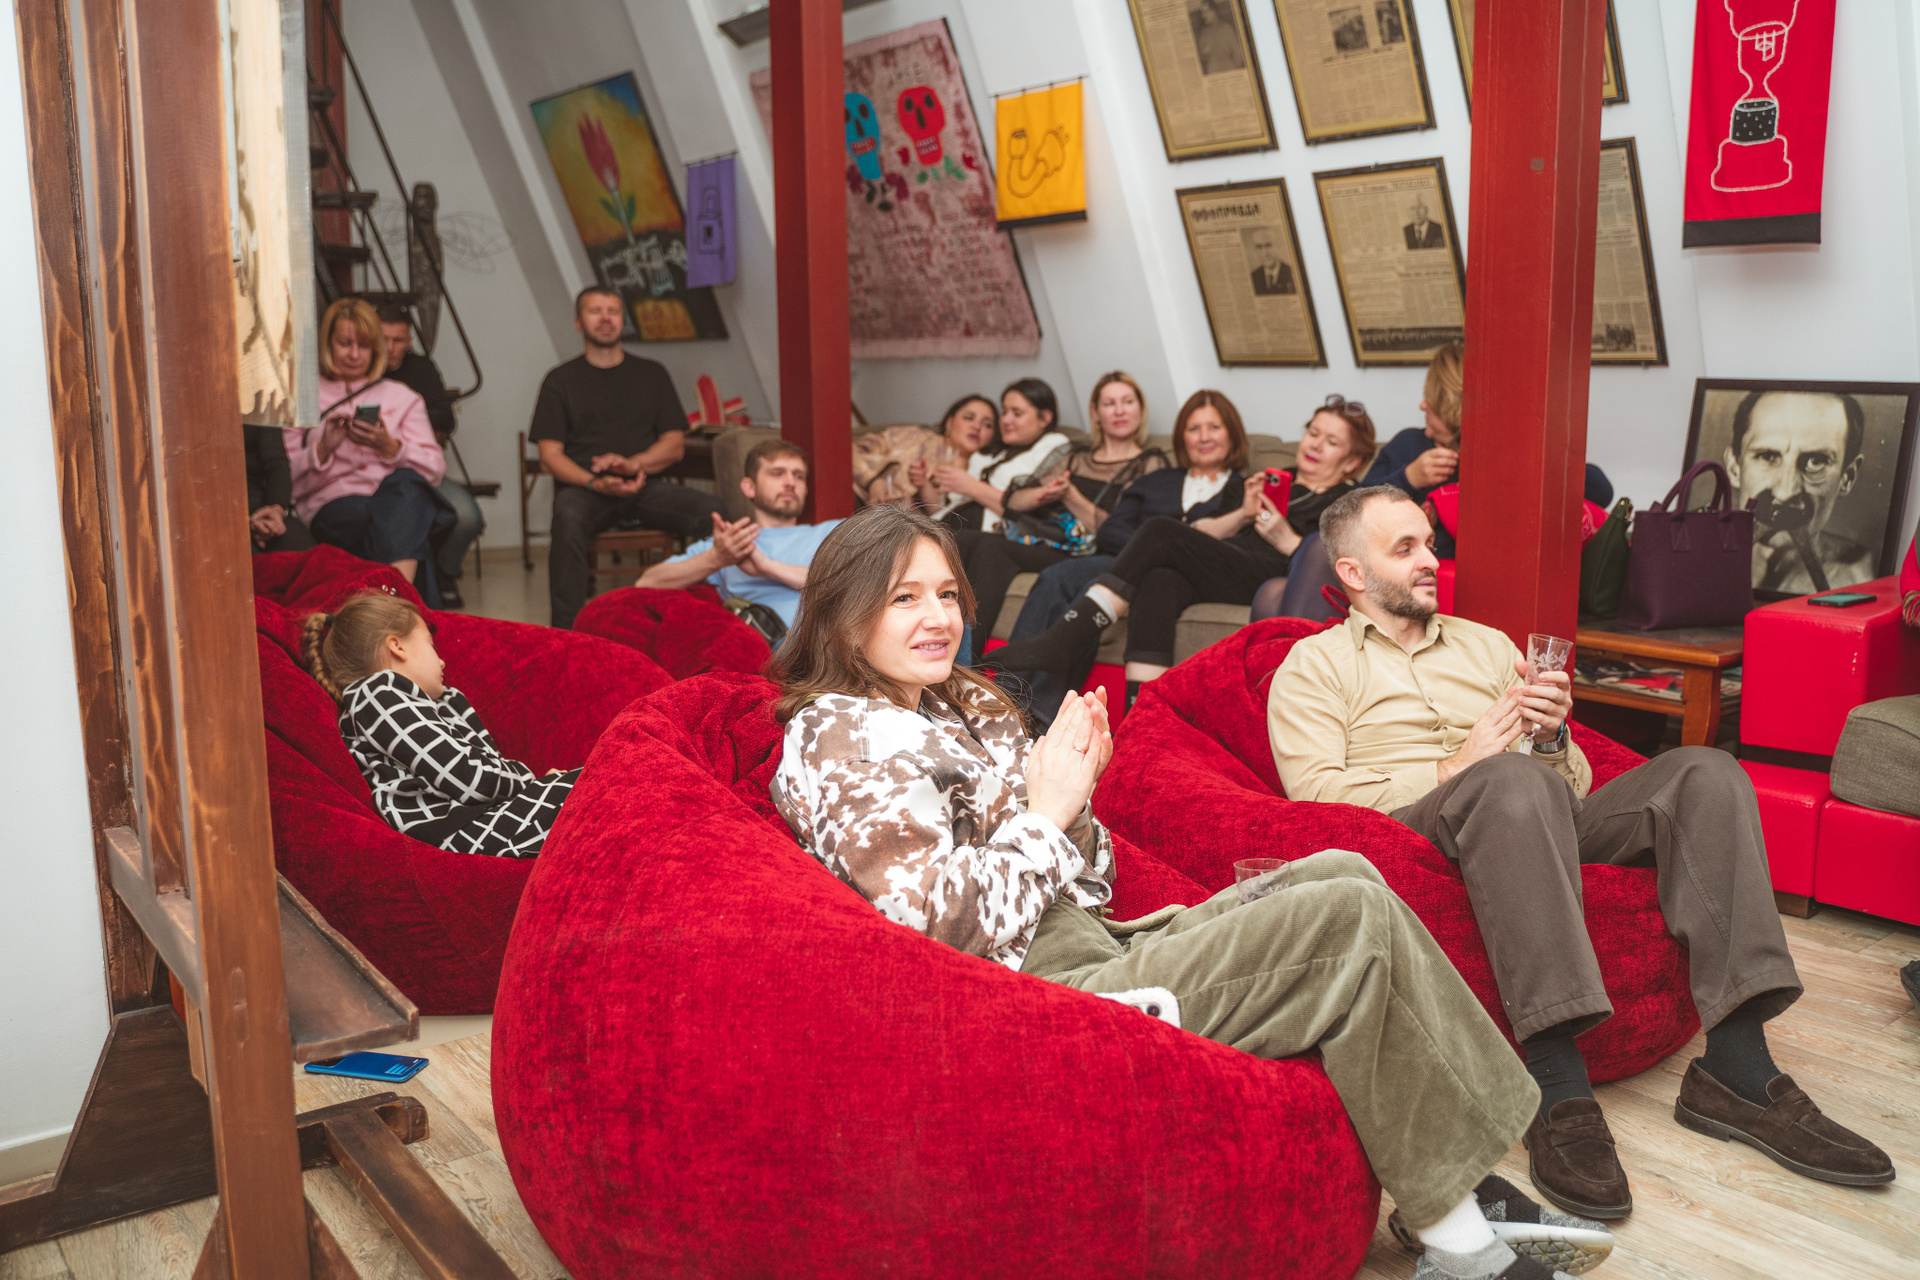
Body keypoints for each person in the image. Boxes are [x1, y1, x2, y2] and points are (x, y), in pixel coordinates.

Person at [768, 504, 1615, 1280]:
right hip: (1033, 1000)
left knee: (1345, 871)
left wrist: (1076, 804)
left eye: (947, 593)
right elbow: (937, 931)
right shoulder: (841, 736)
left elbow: (1090, 878)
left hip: (1093, 938)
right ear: (845, 612)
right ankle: (1459, 1240)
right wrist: (1048, 812)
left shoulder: (958, 706)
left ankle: (1456, 1181)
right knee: (1346, 917)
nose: (939, 617)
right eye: (905, 598)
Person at [1268, 485, 1895, 1221]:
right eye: (1404, 549)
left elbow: (1572, 785)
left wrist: (1554, 735)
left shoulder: (1485, 645)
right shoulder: (1313, 666)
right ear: (1351, 572)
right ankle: (1556, 1085)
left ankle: (1738, 1064)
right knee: (1507, 781)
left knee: (1707, 772)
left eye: (1430, 543)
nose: (1429, 560)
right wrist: (1454, 767)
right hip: (1419, 832)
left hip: (1531, 811)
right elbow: (1316, 799)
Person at [990, 392, 1376, 707]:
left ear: (1353, 460)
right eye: (1313, 433)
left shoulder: (1348, 503)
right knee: (1159, 579)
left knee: (1160, 530)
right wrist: (1243, 512)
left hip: (1272, 576)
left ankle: (1064, 638)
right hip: (1230, 564)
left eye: (1331, 442)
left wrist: (1284, 538)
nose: (1315, 444)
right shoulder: (1263, 481)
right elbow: (1202, 532)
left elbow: (1327, 568)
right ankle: (1140, 715)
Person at [996, 387, 1248, 725]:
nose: (1204, 437)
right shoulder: (1157, 479)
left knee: (1148, 576)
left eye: (1214, 427)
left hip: (1189, 578)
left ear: (1232, 434)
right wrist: (1149, 548)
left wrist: (1165, 546)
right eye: (1194, 428)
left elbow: (1237, 555)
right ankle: (1004, 702)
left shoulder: (1246, 491)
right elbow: (1112, 529)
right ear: (1181, 437)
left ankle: (1040, 716)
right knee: (1057, 577)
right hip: (1124, 563)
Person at [304, 590, 575, 858]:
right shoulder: (376, 694)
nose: (442, 661)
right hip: (458, 831)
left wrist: (536, 786)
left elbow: (485, 768)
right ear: (397, 647)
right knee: (584, 786)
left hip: (480, 816)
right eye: (431, 645)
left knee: (585, 784)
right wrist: (531, 782)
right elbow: (468, 779)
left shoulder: (439, 701)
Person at [532, 284, 729, 628]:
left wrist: (635, 464)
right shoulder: (559, 380)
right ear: (578, 322)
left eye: (613, 311)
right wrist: (594, 482)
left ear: (623, 321)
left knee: (712, 513)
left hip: (644, 485)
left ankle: (702, 618)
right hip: (586, 490)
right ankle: (568, 632)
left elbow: (674, 444)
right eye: (595, 311)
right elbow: (550, 456)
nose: (605, 318)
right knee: (567, 518)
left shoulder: (652, 374)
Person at [287, 297, 453, 605]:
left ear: (375, 349)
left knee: (407, 489)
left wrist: (390, 447)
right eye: (344, 343)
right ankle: (402, 602)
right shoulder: (302, 398)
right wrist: (323, 449)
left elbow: (435, 469)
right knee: (410, 531)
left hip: (395, 498)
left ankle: (388, 604)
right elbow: (284, 481)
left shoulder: (403, 397)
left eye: (363, 346)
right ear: (327, 344)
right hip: (334, 503)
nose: (354, 354)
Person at [1366, 345, 1611, 550]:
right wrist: (1409, 478)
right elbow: (1352, 509)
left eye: (1430, 397)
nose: (1422, 405)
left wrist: (1526, 458)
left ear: (1451, 406)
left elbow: (1601, 491)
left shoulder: (1507, 453)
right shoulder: (1410, 444)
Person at [929, 379, 1079, 662]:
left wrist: (972, 486)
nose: (1006, 420)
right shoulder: (989, 453)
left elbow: (1028, 501)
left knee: (975, 544)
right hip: (961, 525)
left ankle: (963, 663)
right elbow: (953, 502)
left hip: (1031, 539)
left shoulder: (1054, 446)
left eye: (1017, 413)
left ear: (1045, 417)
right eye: (1005, 411)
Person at [638, 440, 841, 629]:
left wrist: (767, 567)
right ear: (749, 487)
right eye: (777, 473)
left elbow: (850, 582)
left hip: (832, 640)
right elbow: (646, 583)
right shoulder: (729, 545)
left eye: (799, 476)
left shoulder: (833, 532)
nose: (790, 482)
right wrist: (716, 558)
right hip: (763, 645)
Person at [1722, 388, 1875, 595]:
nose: (1785, 493)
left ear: (1846, 478)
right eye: (1767, 456)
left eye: (1815, 461)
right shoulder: (1692, 567)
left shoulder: (1864, 578)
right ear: (1734, 468)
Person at [380, 306, 484, 608]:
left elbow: (446, 418)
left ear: (409, 340)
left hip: (419, 466)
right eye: (384, 339)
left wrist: (407, 422)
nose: (391, 348)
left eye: (398, 340)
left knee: (467, 517)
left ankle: (445, 574)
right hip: (375, 472)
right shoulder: (361, 370)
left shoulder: (420, 368)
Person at [907, 393, 1000, 519]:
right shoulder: (921, 441)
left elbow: (943, 514)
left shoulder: (990, 469)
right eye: (968, 418)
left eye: (987, 424)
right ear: (949, 423)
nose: (977, 427)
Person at [245, 422, 315, 553]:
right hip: (215, 512)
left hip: (263, 507)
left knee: (310, 555)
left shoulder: (256, 410)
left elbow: (276, 463)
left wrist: (276, 509)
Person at [1246, 227, 1295, 296]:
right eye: (1259, 247)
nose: (1264, 253)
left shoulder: (1292, 273)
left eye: (1268, 246)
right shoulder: (1253, 277)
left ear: (1277, 246)